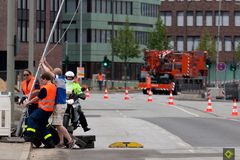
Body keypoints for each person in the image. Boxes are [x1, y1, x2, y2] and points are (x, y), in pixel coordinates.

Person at [40, 59, 75, 148]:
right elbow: (50, 70)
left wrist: (43, 64)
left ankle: (70, 140)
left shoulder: (60, 80)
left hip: (60, 105)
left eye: (53, 74)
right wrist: (45, 62)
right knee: (58, 124)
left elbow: (49, 72)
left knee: (58, 125)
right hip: (59, 104)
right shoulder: (60, 79)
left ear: (56, 74)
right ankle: (61, 142)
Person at [24, 72, 56, 148]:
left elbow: (37, 98)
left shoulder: (46, 88)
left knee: (31, 118)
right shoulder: (53, 86)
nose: (42, 81)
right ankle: (49, 142)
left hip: (43, 109)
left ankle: (30, 136)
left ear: (45, 79)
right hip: (49, 110)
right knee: (42, 126)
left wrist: (28, 103)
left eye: (42, 80)